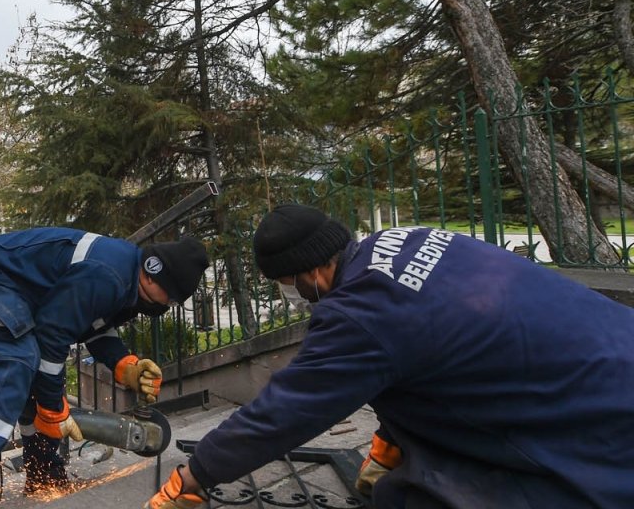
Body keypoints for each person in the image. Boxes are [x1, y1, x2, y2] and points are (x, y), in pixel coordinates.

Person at [146, 204, 634, 509]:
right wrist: (387, 442)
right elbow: (419, 355)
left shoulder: (359, 313)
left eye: (287, 282)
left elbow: (283, 413)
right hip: (611, 349)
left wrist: (193, 476)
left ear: (314, 270)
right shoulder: (407, 242)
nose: (290, 293)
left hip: (596, 424)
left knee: (412, 496)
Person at [0, 227, 209, 509]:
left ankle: (45, 477)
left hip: (12, 289)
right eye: (172, 299)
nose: (167, 305)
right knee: (18, 361)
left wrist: (124, 364)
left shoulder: (126, 275)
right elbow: (52, 336)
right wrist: (52, 407)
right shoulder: (109, 275)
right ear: (155, 275)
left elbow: (93, 323)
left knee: (32, 382)